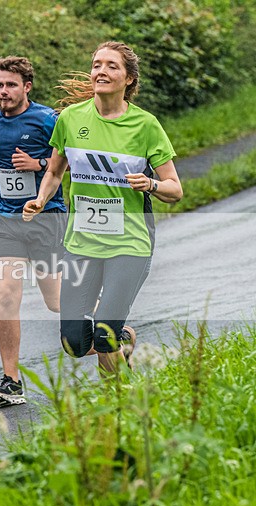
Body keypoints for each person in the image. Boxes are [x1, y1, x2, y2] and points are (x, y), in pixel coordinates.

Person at [23, 41, 183, 373]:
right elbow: (55, 171)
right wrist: (40, 199)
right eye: (97, 64)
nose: (101, 71)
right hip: (82, 243)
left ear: (129, 78)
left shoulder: (145, 125)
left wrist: (150, 184)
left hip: (129, 242)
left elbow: (175, 188)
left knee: (104, 336)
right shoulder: (71, 118)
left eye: (112, 66)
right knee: (75, 343)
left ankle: (120, 395)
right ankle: (125, 338)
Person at [0, 56, 66, 408]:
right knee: (7, 295)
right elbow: (3, 151)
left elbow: (67, 159)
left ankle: (113, 329)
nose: (3, 91)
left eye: (11, 85)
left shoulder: (47, 119)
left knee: (56, 302)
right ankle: (11, 381)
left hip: (45, 217)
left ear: (27, 87)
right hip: (6, 219)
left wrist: (37, 164)